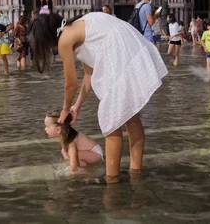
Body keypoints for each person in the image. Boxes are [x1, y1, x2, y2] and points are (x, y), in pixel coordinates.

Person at [28, 11, 167, 184]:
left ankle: (111, 178)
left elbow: (71, 84)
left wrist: (65, 109)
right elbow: (89, 75)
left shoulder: (65, 39)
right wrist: (76, 106)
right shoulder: (79, 26)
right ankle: (135, 171)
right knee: (131, 118)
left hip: (119, 53)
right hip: (130, 46)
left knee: (111, 124)